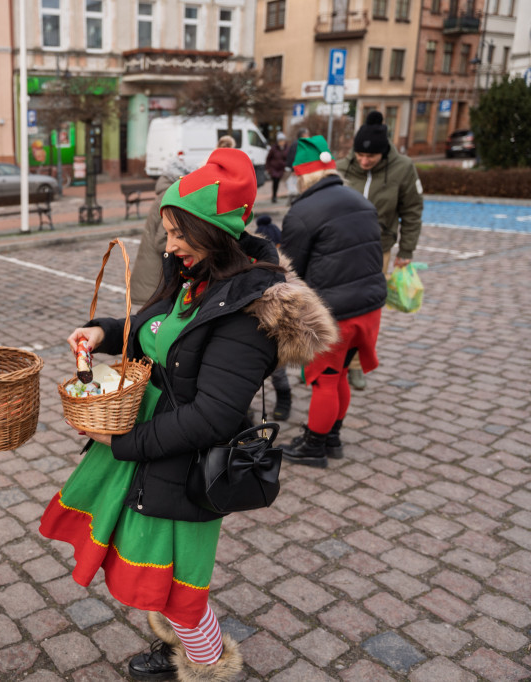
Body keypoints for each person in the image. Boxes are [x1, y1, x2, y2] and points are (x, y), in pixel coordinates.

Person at [40, 149, 336, 681]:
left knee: (180, 584)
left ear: (215, 233)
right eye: (169, 231)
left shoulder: (248, 310)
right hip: (151, 450)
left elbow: (213, 419)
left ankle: (207, 664)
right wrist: (106, 331)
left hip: (181, 460)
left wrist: (123, 443)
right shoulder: (194, 273)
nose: (169, 244)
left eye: (179, 233)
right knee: (158, 572)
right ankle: (186, 647)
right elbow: (153, 328)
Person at [280, 136, 386, 467]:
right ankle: (332, 436)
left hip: (333, 314)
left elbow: (291, 273)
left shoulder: (301, 212)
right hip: (369, 310)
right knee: (340, 375)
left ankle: (314, 445)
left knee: (325, 379)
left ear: (302, 174)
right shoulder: (361, 201)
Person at [337, 110, 423, 389]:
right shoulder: (342, 167)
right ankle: (324, 358)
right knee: (333, 304)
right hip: (339, 249)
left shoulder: (403, 168)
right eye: (360, 156)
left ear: (383, 153)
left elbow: (411, 211)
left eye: (370, 158)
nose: (363, 161)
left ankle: (356, 365)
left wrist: (406, 250)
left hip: (378, 250)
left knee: (367, 310)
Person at [129, 152, 193, 308]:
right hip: (155, 279)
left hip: (151, 276)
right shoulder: (170, 197)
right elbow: (161, 241)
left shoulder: (166, 193)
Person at [253, 213, 293, 421]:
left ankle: (284, 398)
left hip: (276, 331)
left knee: (279, 372)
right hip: (254, 331)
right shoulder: (250, 271)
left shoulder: (286, 273)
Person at [283, 127, 309, 204]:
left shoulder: (299, 143)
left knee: (297, 186)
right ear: (303, 135)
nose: (308, 136)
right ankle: (293, 201)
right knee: (296, 186)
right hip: (297, 169)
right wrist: (294, 169)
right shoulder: (298, 144)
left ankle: (296, 200)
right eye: (307, 134)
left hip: (299, 168)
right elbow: (293, 157)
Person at [265, 132, 289, 203]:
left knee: (278, 181)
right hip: (274, 168)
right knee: (275, 181)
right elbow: (268, 158)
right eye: (280, 141)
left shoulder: (287, 149)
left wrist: (286, 165)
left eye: (283, 141)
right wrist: (267, 168)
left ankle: (276, 195)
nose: (282, 142)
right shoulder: (273, 149)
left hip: (281, 168)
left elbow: (288, 158)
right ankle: (274, 196)